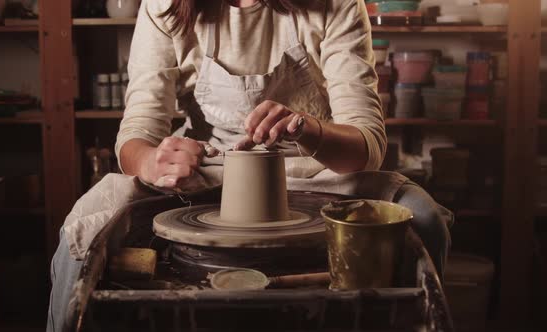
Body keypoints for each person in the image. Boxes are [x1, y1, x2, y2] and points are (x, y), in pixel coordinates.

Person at [47, 0, 452, 330]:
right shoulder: (166, 6)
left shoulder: (335, 4)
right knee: (83, 231)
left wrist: (308, 130)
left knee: (425, 218)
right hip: (207, 170)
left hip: (320, 170)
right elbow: (135, 134)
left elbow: (368, 143)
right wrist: (153, 161)